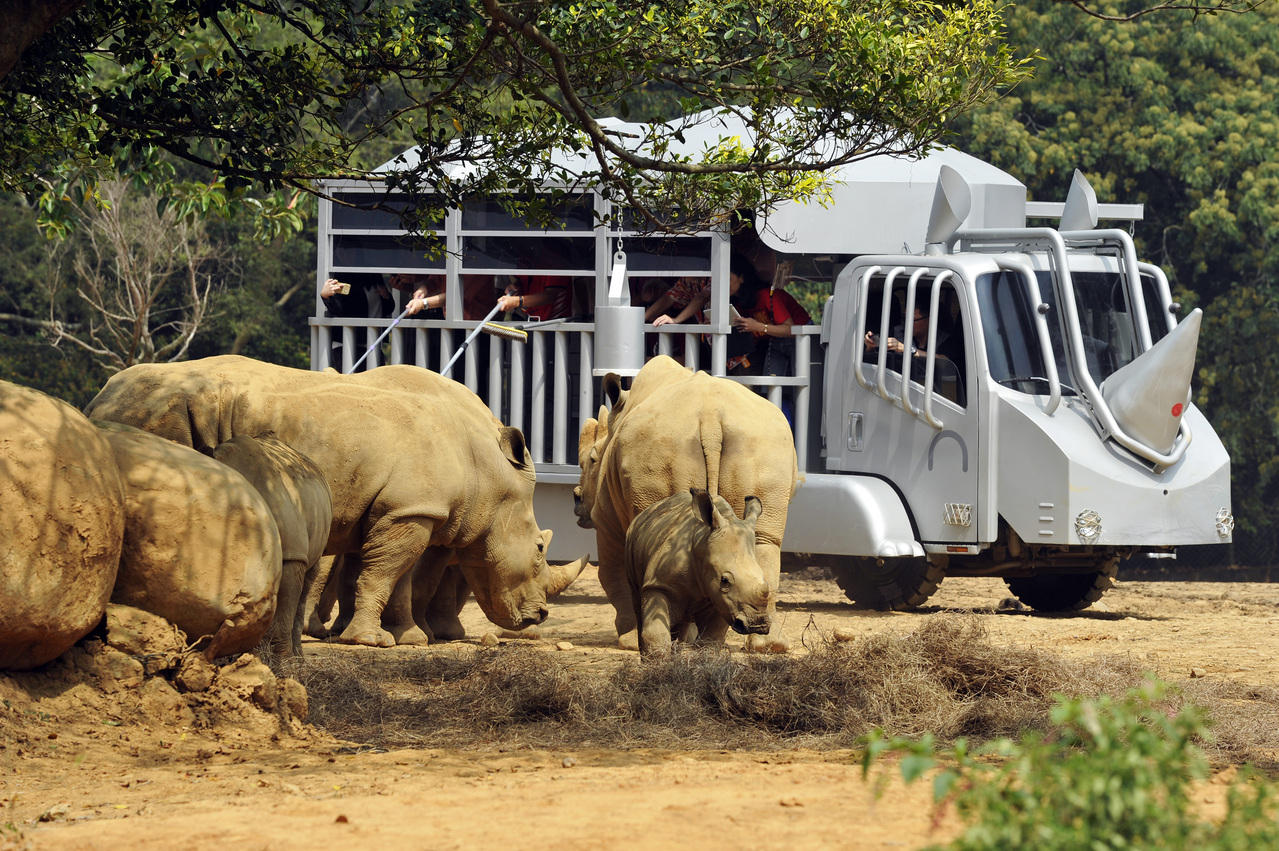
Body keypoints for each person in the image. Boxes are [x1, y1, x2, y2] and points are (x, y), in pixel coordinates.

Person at [730, 258, 812, 376]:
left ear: (741, 278)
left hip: (799, 336)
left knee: (799, 380)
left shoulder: (767, 295)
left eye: (728, 279)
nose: (724, 284)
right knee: (770, 383)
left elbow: (791, 329)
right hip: (774, 339)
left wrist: (759, 326)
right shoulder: (739, 304)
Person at [495, 274, 571, 321]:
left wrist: (516, 301)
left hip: (555, 323)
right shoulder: (525, 257)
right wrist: (516, 286)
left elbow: (550, 295)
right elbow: (524, 280)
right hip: (528, 318)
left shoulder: (554, 257)